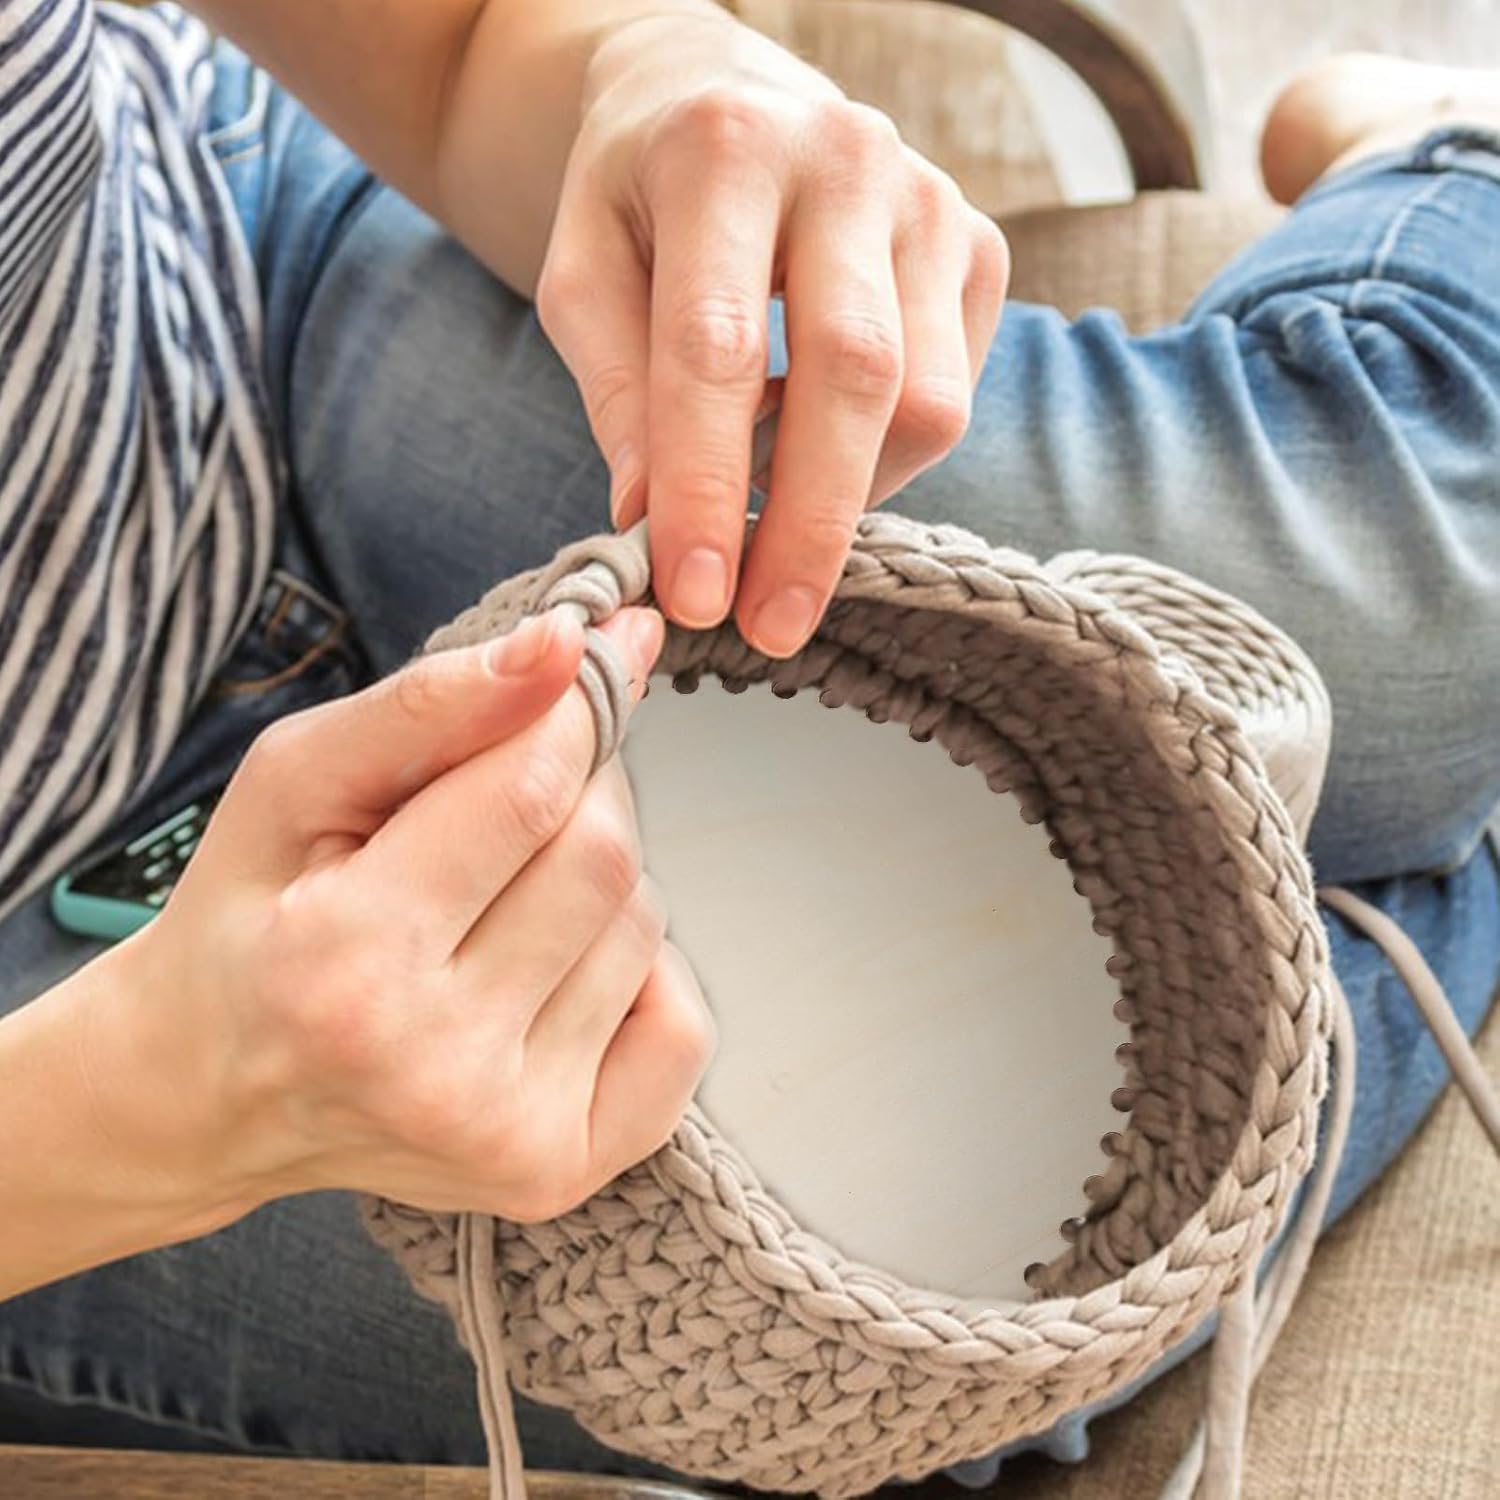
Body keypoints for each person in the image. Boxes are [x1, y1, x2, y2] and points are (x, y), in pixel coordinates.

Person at [0, 0, 1495, 1478]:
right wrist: (176, 1102)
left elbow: (455, 46)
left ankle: (1437, 160)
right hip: (56, 1046)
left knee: (1415, 636)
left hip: (244, 288)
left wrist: (637, 70)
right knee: (919, 1334)